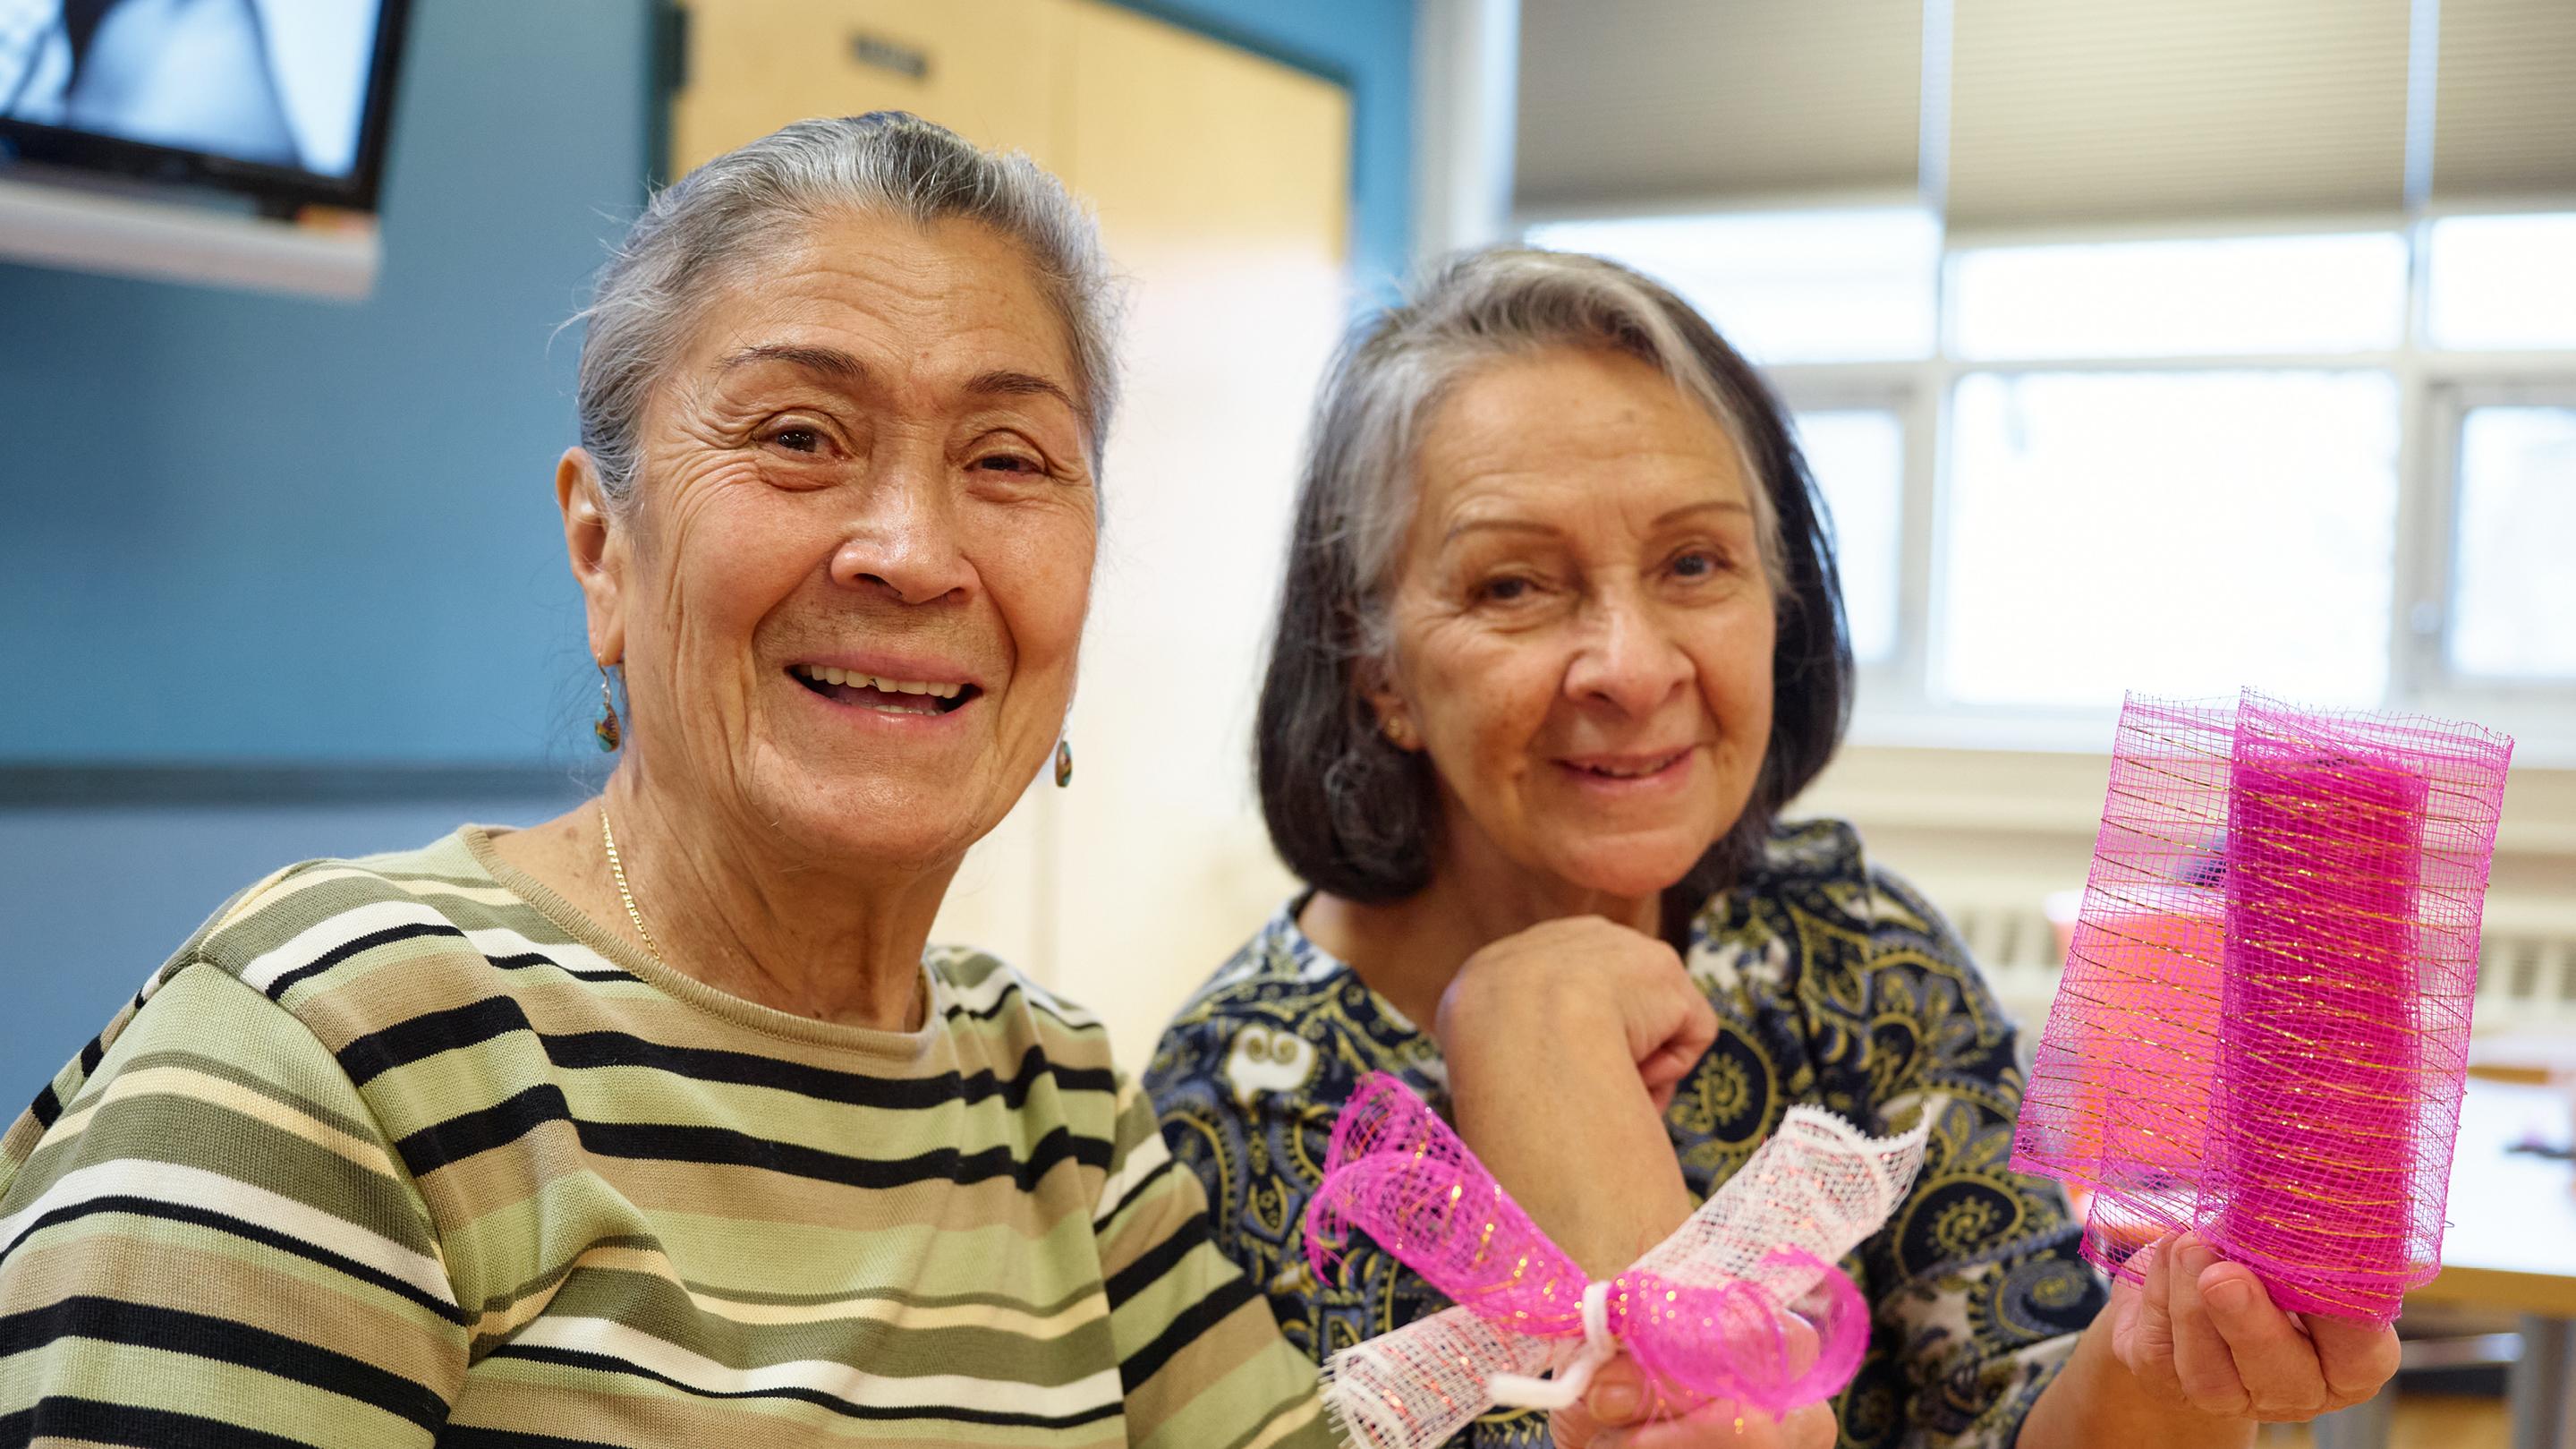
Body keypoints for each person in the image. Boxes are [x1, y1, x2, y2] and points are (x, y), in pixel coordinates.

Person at [0, 114, 1336, 1448]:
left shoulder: (1056, 1106)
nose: (913, 553)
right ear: (603, 548)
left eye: (1006, 461)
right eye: (802, 436)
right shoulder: (348, 1047)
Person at [1145, 247, 2404, 1448]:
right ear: (1378, 671)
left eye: (1695, 562)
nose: (1634, 671)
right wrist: (1541, 1049)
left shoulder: (1853, 954)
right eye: (1513, 587)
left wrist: (2167, 1367)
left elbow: (2019, 1411)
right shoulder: (1236, 1105)